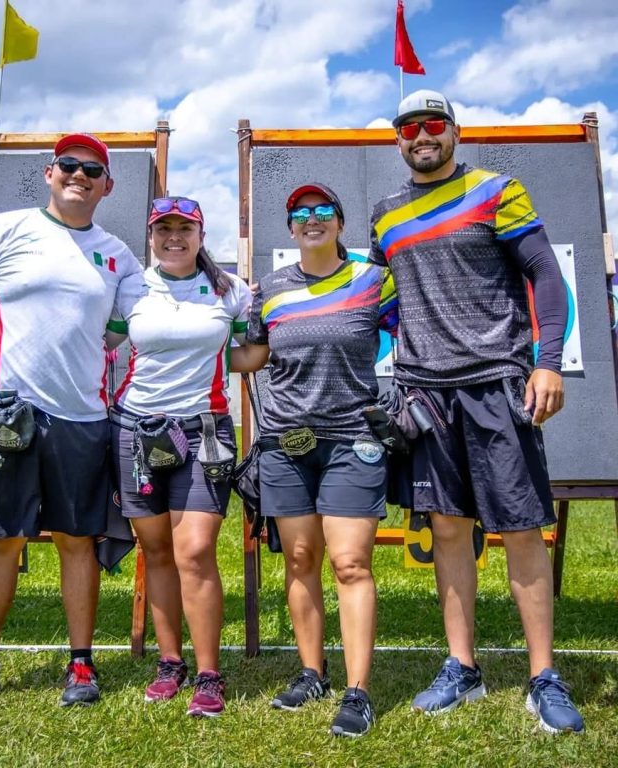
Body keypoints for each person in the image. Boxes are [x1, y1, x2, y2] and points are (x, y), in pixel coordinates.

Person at [368, 89, 584, 734]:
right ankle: (462, 667)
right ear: (398, 141)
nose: (421, 135)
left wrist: (547, 360)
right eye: (409, 128)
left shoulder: (496, 188)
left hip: (497, 383)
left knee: (520, 530)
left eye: (433, 124)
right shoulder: (384, 215)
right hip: (424, 395)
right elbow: (381, 296)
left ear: (454, 132)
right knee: (449, 531)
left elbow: (545, 273)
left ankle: (543, 675)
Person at [0, 133, 145, 709]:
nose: (80, 175)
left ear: (107, 185)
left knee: (77, 541)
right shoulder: (3, 229)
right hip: (7, 412)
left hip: (84, 417)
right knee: (1, 540)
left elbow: (135, 321)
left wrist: (108, 342)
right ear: (49, 173)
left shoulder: (118, 254)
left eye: (92, 169)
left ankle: (80, 665)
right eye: (69, 165)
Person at [231, 183, 398, 738]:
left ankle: (358, 690)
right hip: (284, 444)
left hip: (354, 441)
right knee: (300, 561)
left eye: (323, 210)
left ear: (340, 223)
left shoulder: (374, 281)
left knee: (350, 564)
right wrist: (194, 332)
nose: (311, 219)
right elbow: (252, 355)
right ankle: (311, 672)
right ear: (291, 228)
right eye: (300, 213)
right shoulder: (270, 291)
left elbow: (415, 333)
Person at [106, 197, 251, 717]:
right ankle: (171, 662)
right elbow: (103, 342)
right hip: (135, 429)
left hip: (205, 430)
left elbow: (251, 350)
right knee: (158, 551)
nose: (173, 237)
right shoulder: (130, 287)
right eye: (162, 228)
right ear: (150, 235)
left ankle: (209, 673)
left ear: (199, 233)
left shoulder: (231, 290)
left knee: (194, 550)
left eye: (183, 228)